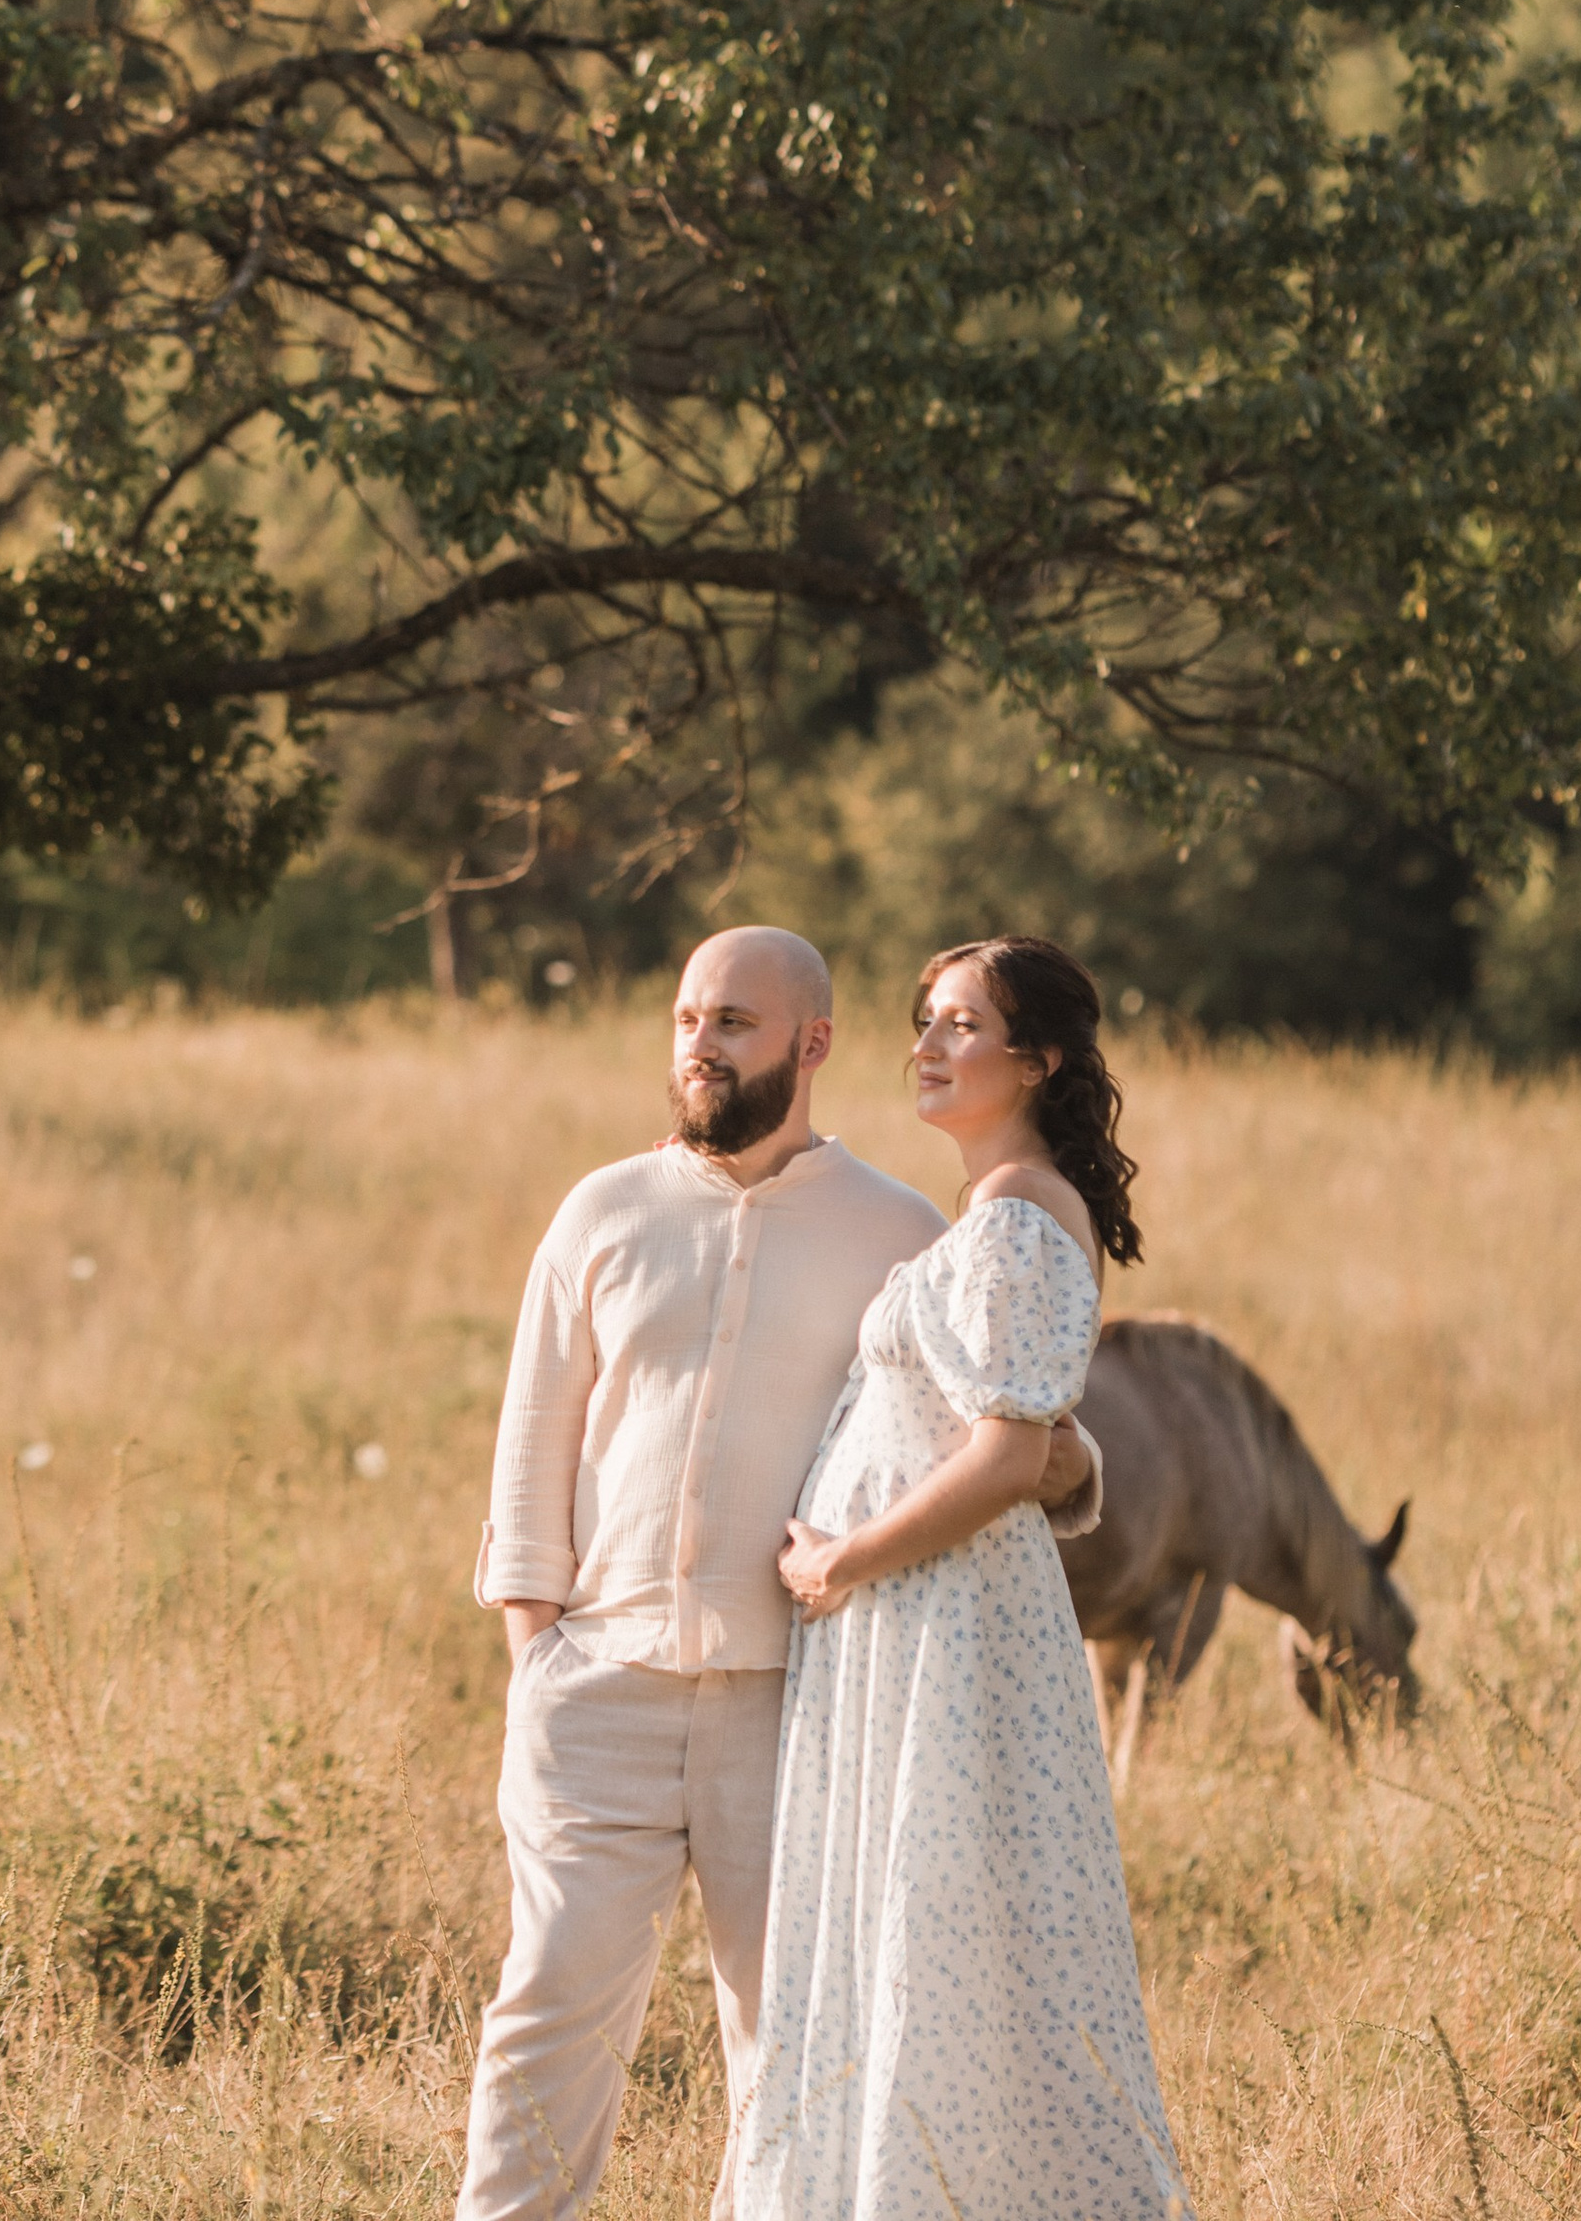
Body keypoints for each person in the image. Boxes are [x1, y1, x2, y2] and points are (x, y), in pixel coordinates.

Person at [459, 922, 1103, 2221]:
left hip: (795, 1706)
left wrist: (1068, 1466)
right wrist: (540, 1662)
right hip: (596, 1698)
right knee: (546, 2018)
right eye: (687, 1018)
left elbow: (1001, 1415)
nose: (699, 1044)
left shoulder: (900, 1230)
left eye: (733, 1022)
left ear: (811, 1044)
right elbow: (531, 1454)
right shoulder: (601, 1212)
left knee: (795, 2050)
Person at [737, 934, 1191, 2221]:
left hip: (939, 1617)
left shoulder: (1016, 1219)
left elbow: (1006, 1454)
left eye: (960, 1025)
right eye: (924, 1021)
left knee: (942, 1930)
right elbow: (1045, 1439)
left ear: (1034, 1061)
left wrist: (840, 1558)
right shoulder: (999, 1210)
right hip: (917, 1613)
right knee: (933, 1930)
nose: (925, 1047)